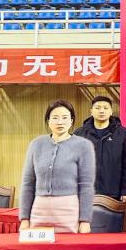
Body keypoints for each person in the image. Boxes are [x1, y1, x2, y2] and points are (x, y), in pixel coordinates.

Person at [19, 100, 95, 233]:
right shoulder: (36, 144)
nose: (60, 122)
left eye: (65, 118)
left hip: (68, 211)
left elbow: (86, 185)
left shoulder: (84, 146)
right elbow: (27, 183)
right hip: (39, 211)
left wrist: (85, 220)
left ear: (71, 121)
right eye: (55, 118)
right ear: (48, 121)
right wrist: (24, 218)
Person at [73, 95, 126, 200]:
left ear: (111, 111)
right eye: (97, 108)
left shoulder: (122, 133)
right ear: (91, 111)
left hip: (114, 193)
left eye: (105, 108)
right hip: (84, 193)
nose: (101, 111)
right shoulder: (80, 133)